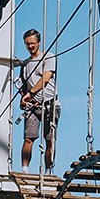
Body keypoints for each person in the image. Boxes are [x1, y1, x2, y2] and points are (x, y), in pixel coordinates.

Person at [19, 29, 59, 173]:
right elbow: (23, 84)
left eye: (33, 43)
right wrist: (23, 98)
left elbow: (45, 79)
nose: (30, 46)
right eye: (27, 44)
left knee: (49, 140)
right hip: (33, 106)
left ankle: (48, 171)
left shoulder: (49, 57)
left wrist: (30, 93)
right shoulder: (25, 64)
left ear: (39, 42)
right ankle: (25, 170)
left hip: (49, 104)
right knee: (28, 138)